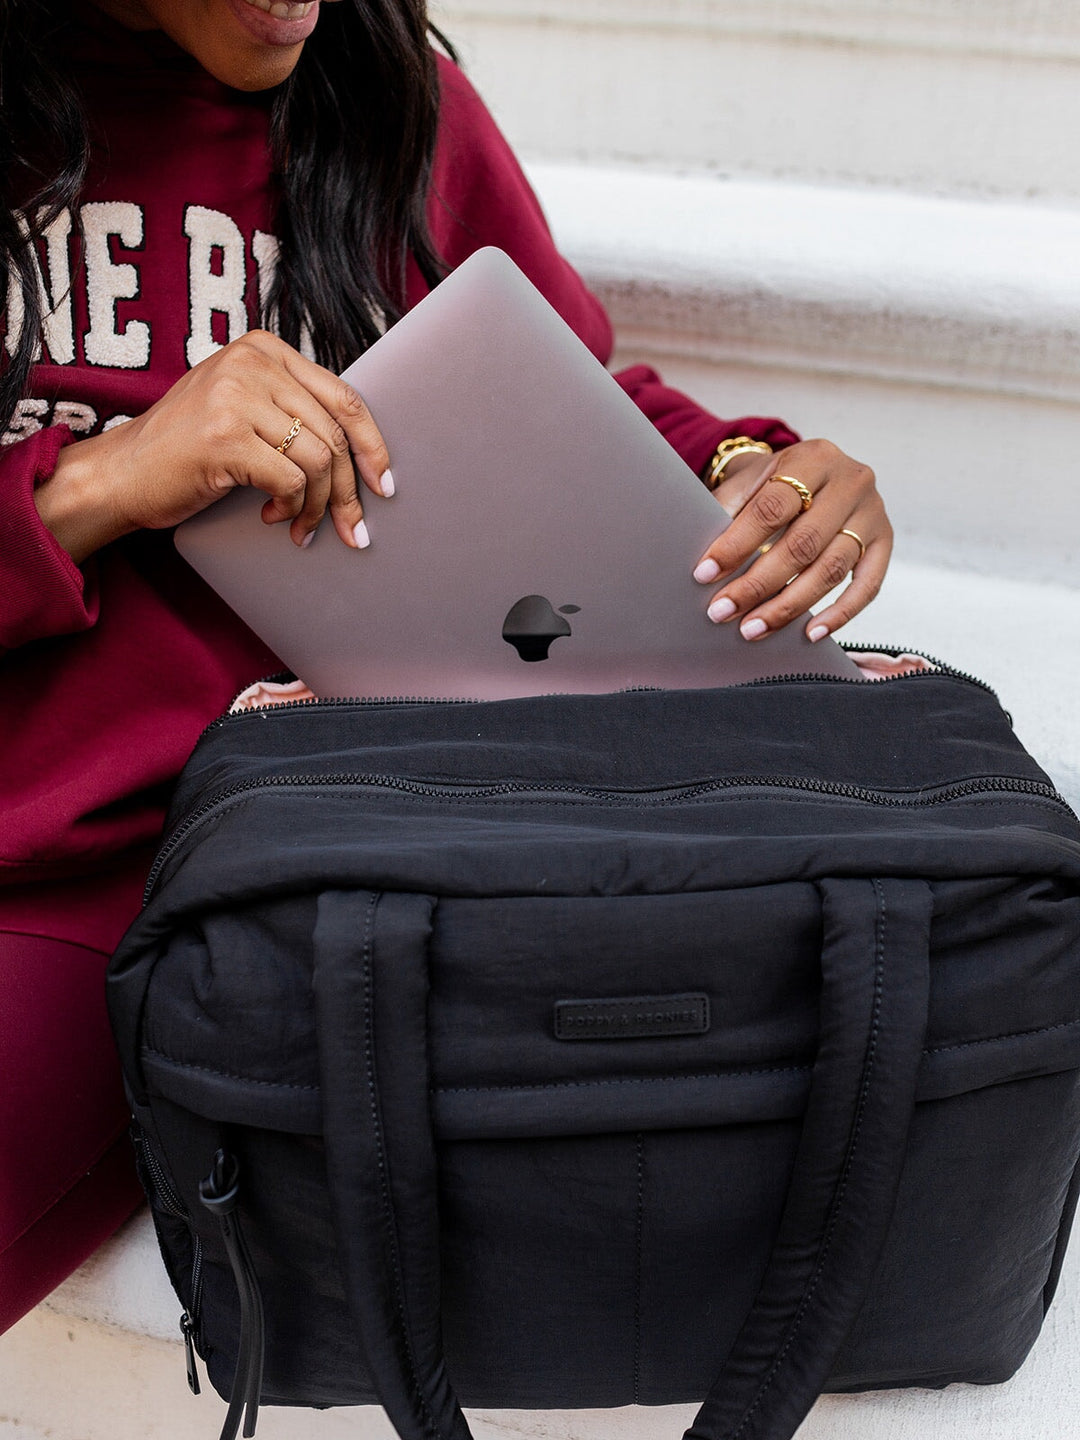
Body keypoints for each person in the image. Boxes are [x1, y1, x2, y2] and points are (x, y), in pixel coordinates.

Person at [0, 0, 892, 1334]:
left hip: (169, 870)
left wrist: (745, 467)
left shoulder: (384, 100)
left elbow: (542, 397)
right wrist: (106, 483)